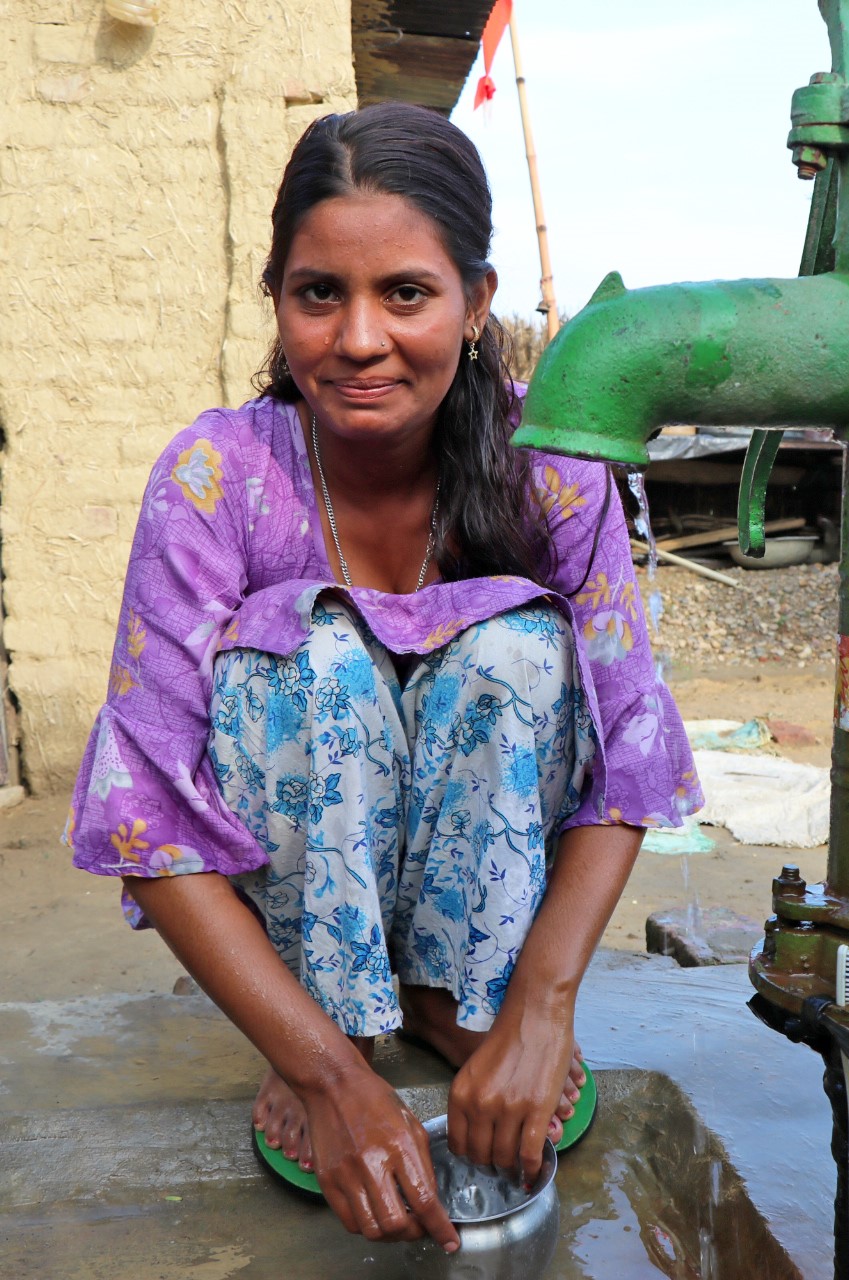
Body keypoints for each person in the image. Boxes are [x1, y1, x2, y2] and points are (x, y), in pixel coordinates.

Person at [68, 102, 701, 1251]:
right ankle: (345, 1029)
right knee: (302, 658)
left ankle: (468, 1007)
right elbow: (145, 812)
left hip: (499, 953)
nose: (359, 337)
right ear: (278, 300)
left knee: (520, 646)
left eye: (405, 292)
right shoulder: (217, 477)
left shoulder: (550, 471)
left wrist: (542, 1011)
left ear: (475, 302)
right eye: (320, 293)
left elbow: (627, 753)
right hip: (306, 958)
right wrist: (318, 1071)